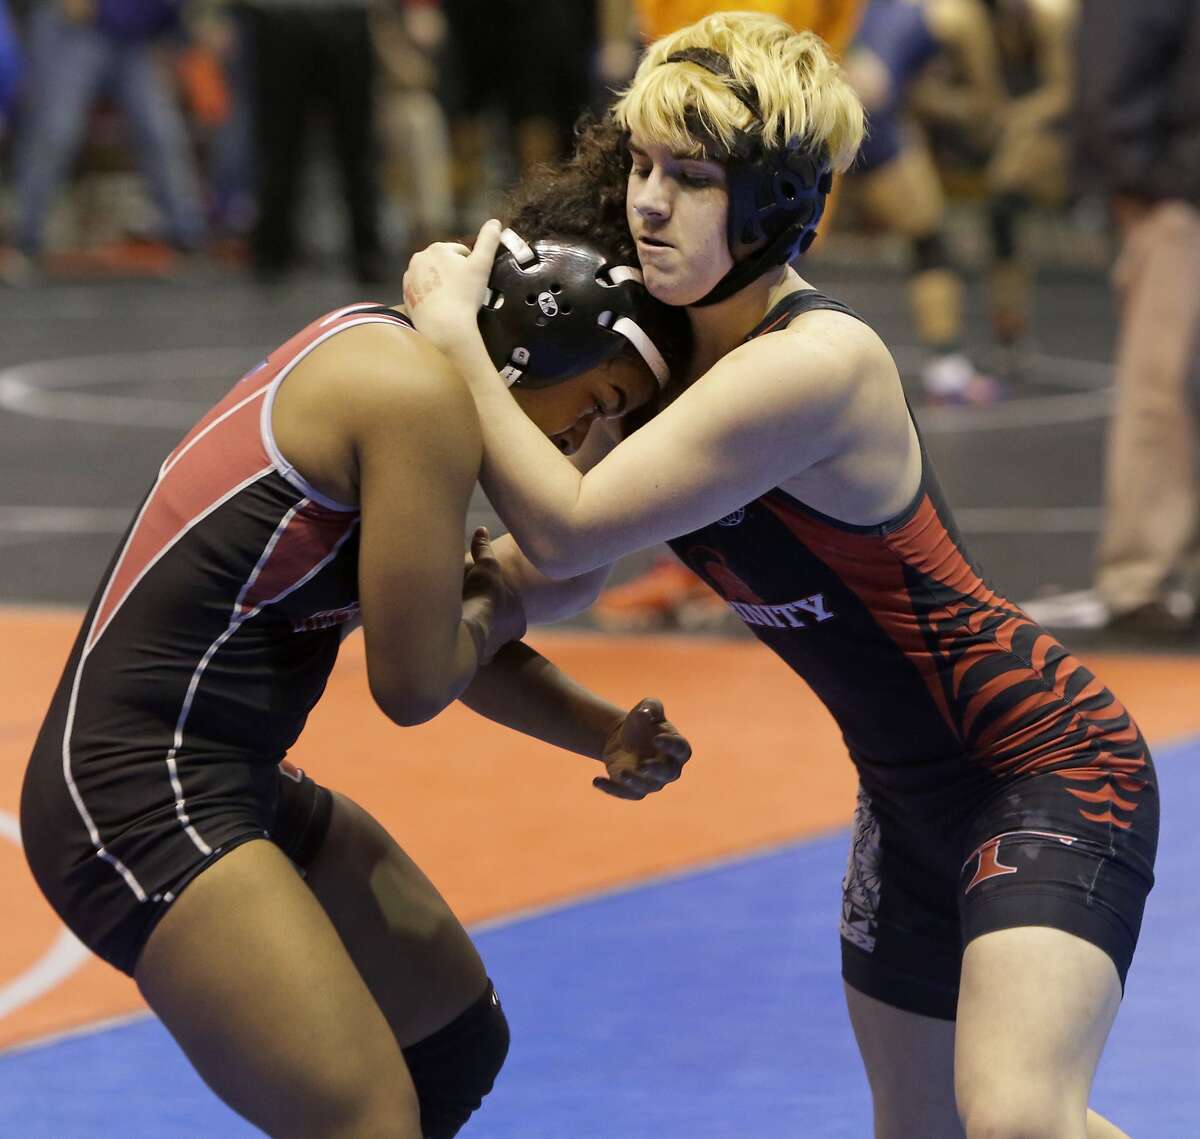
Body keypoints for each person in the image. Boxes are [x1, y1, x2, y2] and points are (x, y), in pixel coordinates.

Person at [402, 12, 1158, 1137]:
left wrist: (454, 336)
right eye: (644, 166)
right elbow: (556, 574)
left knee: (1014, 1119)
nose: (649, 202)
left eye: (692, 177)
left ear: (772, 205)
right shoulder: (667, 352)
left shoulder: (820, 365)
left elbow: (562, 532)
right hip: (905, 797)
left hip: (1043, 767)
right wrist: (419, 600)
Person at [20, 191, 693, 1137]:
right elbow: (415, 680)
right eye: (598, 403)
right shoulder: (409, 396)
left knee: (454, 1043)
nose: (580, 442)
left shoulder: (406, 371)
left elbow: (436, 629)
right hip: (137, 792)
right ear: (542, 347)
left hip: (222, 773)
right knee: (368, 1120)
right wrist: (503, 590)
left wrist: (600, 728)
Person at [1075, 0, 1200, 641]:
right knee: (1162, 383)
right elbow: (1107, 76)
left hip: (1177, 183)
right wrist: (1149, 180)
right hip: (1177, 200)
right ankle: (1138, 576)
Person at [842, 0, 1005, 402]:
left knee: (783, 240)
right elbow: (987, 104)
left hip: (815, 101)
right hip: (868, 118)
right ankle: (947, 368)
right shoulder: (959, 15)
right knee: (929, 239)